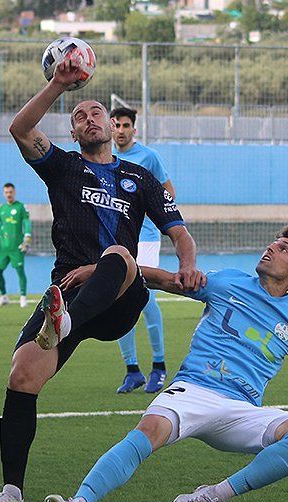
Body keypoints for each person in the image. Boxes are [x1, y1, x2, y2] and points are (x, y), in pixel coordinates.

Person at [41, 224, 288, 502]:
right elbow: (164, 279)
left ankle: (211, 495)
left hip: (240, 410)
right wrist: (104, 271)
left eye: (283, 248)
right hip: (192, 391)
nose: (271, 247)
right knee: (147, 433)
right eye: (274, 242)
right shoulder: (227, 282)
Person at [0, 54, 204, 502]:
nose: (89, 118)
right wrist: (59, 84)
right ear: (74, 134)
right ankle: (11, 493)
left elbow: (179, 232)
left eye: (96, 112)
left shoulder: (140, 178)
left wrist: (189, 265)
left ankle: (65, 324)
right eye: (80, 116)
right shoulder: (62, 168)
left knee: (118, 256)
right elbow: (20, 128)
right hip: (67, 291)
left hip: (119, 296)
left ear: (111, 127)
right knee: (21, 378)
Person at [110, 106, 176, 394]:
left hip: (146, 238)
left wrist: (149, 212)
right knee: (117, 300)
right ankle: (132, 370)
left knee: (144, 297)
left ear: (133, 129)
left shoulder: (149, 157)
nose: (121, 130)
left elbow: (168, 193)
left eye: (126, 125)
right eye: (116, 125)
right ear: (109, 128)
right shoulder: (105, 158)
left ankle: (159, 366)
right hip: (115, 240)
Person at [0, 182, 32, 308]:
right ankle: (3, 296)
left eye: (10, 192)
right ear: (4, 193)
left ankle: (23, 297)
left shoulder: (21, 207)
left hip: (16, 247)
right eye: (6, 192)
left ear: (14, 192)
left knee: (20, 271)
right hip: (3, 248)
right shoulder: (2, 209)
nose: (8, 194)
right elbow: (0, 225)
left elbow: (26, 222)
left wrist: (27, 238)